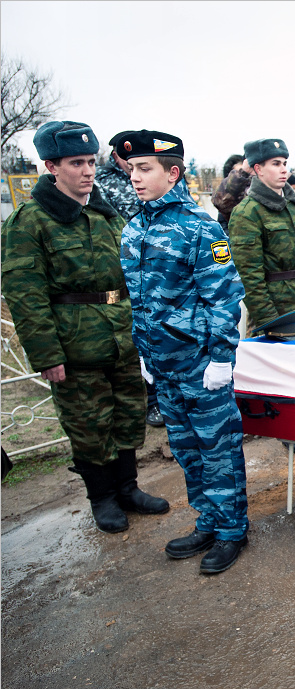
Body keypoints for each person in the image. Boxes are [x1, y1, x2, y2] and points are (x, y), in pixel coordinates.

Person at [0, 121, 168, 533]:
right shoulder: (30, 221)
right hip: (75, 345)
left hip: (121, 337)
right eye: (77, 162)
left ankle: (128, 489)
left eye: (92, 161)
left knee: (128, 414)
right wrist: (46, 354)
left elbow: (132, 274)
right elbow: (25, 294)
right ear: (51, 166)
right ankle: (103, 498)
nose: (88, 170)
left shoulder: (104, 213)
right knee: (88, 424)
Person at [117, 130, 249, 574]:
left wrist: (220, 357)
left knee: (218, 449)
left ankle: (232, 530)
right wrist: (144, 354)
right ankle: (208, 520)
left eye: (145, 169)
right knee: (187, 449)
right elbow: (139, 300)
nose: (135, 177)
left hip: (199, 362)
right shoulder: (134, 228)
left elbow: (224, 297)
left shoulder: (201, 227)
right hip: (163, 363)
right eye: (131, 169)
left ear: (173, 173)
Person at [96, 130, 163, 428]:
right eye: (129, 161)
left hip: (159, 266)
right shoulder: (101, 182)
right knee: (137, 337)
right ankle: (148, 403)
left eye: (141, 164)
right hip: (127, 268)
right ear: (116, 157)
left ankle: (161, 397)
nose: (135, 171)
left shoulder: (155, 175)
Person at [228, 137, 295, 333]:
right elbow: (249, 275)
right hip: (278, 313)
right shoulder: (248, 212)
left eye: (284, 163)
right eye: (276, 164)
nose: (284, 169)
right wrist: (269, 319)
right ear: (258, 169)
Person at [95, 131, 141, 220]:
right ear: (115, 156)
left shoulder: (153, 177)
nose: (132, 160)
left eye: (136, 155)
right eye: (127, 156)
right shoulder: (99, 180)